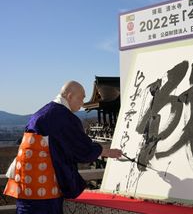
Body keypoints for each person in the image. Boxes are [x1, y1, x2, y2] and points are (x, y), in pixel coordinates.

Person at [3, 81, 122, 214]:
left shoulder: (45, 111)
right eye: (81, 97)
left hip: (25, 178)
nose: (83, 103)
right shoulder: (62, 116)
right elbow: (81, 149)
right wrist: (104, 151)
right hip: (43, 183)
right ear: (70, 96)